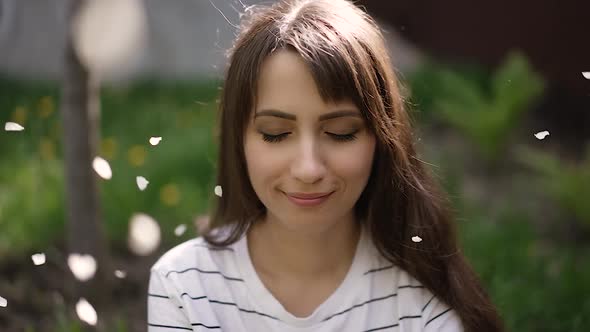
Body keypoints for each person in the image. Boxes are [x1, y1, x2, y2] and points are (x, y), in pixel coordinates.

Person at [147, 0, 504, 331]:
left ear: (382, 138)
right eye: (275, 134)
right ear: (238, 141)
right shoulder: (184, 286)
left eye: (340, 132)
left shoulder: (424, 303)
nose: (308, 169)